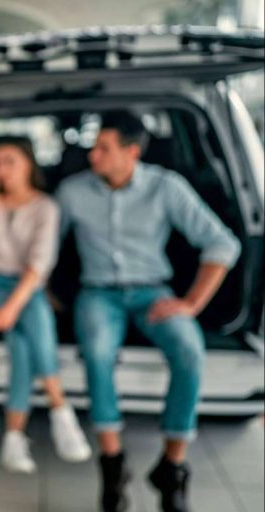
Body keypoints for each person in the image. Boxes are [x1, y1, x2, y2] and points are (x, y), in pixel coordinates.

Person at [55, 111, 241, 512]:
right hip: (98, 293)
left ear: (132, 152)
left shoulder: (166, 187)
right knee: (98, 353)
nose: (93, 156)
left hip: (153, 292)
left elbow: (222, 245)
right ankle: (112, 463)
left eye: (104, 149)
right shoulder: (72, 191)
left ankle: (172, 467)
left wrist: (191, 303)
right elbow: (43, 245)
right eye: (94, 147)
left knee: (190, 352)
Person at [0, 136, 91, 473]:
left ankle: (14, 437)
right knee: (36, 311)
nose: (1, 169)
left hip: (25, 289)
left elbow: (39, 266)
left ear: (29, 164)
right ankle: (60, 408)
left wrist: (12, 308)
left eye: (9, 161)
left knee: (21, 342)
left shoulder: (46, 207)